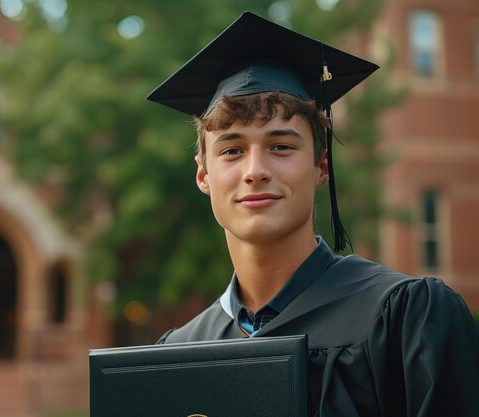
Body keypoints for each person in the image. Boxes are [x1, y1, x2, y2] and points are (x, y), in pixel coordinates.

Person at [147, 11, 479, 417]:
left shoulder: (406, 322)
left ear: (322, 167)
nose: (255, 171)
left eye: (281, 146)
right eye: (232, 150)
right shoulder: (177, 354)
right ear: (203, 175)